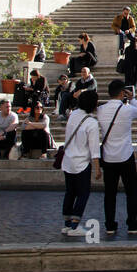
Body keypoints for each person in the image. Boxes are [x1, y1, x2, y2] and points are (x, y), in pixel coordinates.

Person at [97, 78, 137, 236]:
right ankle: (132, 223)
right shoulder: (127, 109)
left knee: (109, 193)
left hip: (108, 156)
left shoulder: (101, 109)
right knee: (131, 191)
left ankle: (110, 224)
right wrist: (132, 99)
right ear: (122, 92)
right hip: (125, 155)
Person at [60, 88, 101, 236]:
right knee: (83, 194)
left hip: (68, 160)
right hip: (82, 162)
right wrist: (97, 169)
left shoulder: (74, 115)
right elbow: (94, 149)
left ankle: (67, 224)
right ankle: (75, 226)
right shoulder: (91, 123)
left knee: (70, 192)